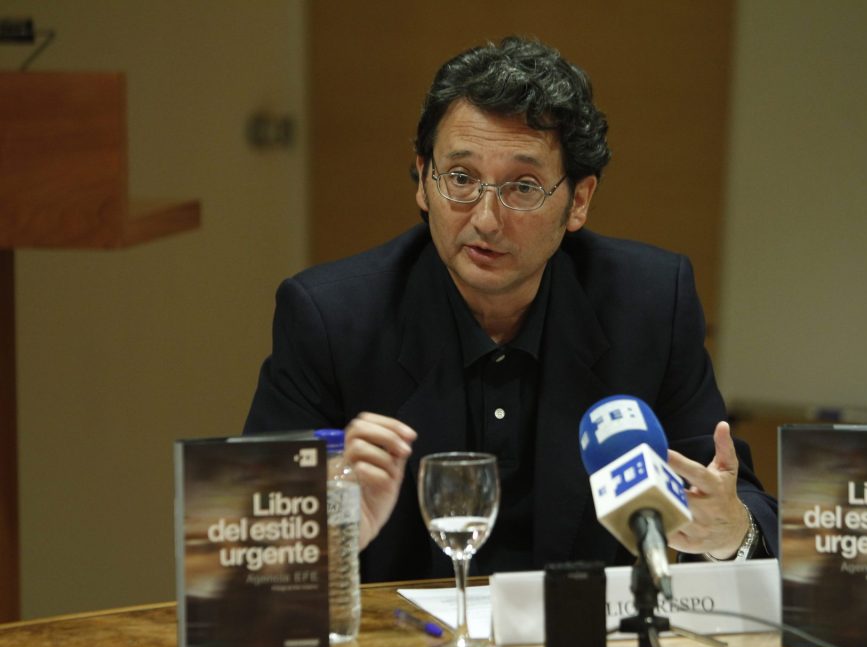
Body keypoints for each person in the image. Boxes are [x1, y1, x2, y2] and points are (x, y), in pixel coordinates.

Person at [244, 36, 779, 582]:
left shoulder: (647, 304)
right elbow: (249, 544)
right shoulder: (331, 318)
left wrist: (730, 531)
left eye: (522, 187)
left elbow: (737, 507)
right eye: (461, 178)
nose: (486, 218)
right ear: (424, 181)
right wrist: (330, 527)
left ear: (579, 200)